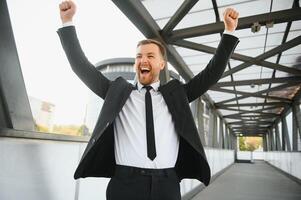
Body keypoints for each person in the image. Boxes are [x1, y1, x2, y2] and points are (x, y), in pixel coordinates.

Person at [58, 1, 239, 199]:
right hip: (124, 184)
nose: (143, 60)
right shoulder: (116, 93)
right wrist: (68, 22)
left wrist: (229, 31)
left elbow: (211, 74)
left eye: (150, 56)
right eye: (138, 56)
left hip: (167, 184)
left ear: (161, 64)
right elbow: (81, 66)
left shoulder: (177, 95)